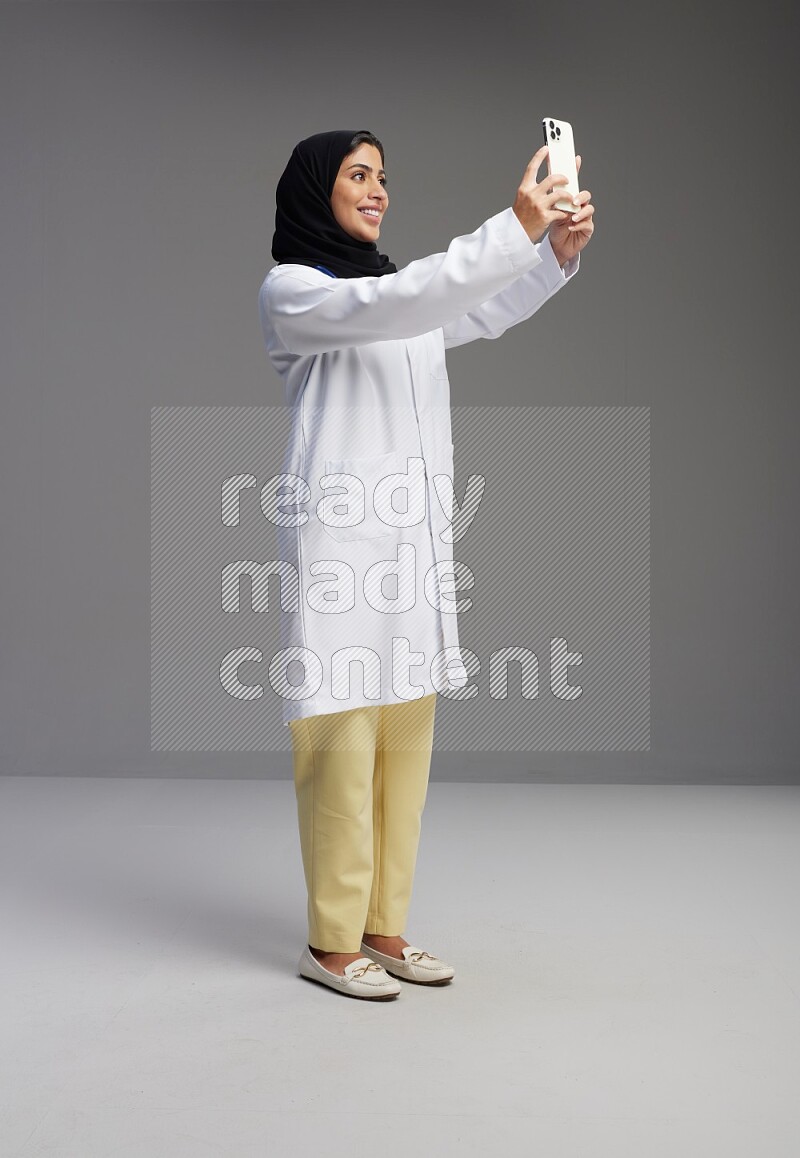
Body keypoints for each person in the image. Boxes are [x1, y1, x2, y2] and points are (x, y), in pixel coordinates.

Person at [258, 129, 594, 1000]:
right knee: (339, 744)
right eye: (358, 176)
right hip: (340, 558)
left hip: (409, 553)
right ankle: (330, 943)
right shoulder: (298, 291)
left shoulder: (391, 295)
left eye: (382, 178)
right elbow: (417, 297)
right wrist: (512, 227)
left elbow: (470, 310)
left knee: (404, 747)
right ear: (314, 192)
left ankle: (385, 927)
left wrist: (550, 255)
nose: (378, 192)